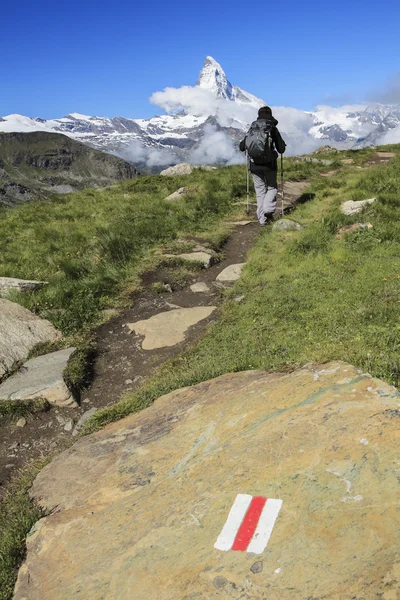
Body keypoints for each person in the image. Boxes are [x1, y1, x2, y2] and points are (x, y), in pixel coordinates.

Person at [239, 106, 286, 226]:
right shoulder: (272, 128)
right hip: (269, 165)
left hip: (254, 165)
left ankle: (262, 220)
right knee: (271, 188)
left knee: (260, 191)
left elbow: (241, 147)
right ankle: (267, 210)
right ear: (270, 115)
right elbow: (281, 149)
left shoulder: (252, 128)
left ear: (258, 115)